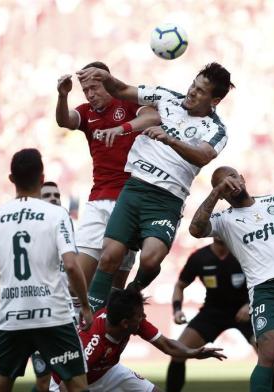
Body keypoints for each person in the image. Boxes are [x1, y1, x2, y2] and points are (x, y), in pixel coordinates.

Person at [76, 62, 234, 310]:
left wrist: (170, 140)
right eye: (194, 84)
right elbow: (122, 90)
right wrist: (107, 77)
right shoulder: (166, 97)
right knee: (109, 256)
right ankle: (92, 321)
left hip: (167, 199)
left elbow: (203, 156)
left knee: (150, 259)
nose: (192, 92)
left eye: (201, 91)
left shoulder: (216, 129)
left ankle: (133, 292)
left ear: (214, 101)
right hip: (135, 188)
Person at [0, 148, 92, 392]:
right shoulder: (57, 215)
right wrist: (86, 306)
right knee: (77, 387)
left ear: (12, 179)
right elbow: (70, 265)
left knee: (0, 388)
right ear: (42, 178)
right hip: (53, 316)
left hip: (12, 318)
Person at [188, 166, 274, 392]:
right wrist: (215, 192)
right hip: (265, 292)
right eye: (223, 185)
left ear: (243, 178)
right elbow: (195, 229)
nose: (231, 185)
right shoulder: (223, 220)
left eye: (232, 179)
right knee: (269, 351)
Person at [56, 61, 162, 307]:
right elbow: (65, 120)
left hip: (127, 200)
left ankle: (101, 337)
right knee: (75, 284)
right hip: (96, 200)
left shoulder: (127, 103)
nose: (91, 95)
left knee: (113, 288)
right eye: (86, 91)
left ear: (107, 82)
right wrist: (63, 96)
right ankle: (79, 334)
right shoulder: (86, 112)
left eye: (95, 88)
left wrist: (122, 128)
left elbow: (153, 116)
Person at [166, 237, 274, 392]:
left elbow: (264, 282)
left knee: (269, 355)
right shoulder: (200, 257)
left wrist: (250, 305)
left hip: (246, 311)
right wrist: (177, 310)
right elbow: (180, 285)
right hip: (212, 312)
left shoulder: (245, 253)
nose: (220, 231)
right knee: (178, 352)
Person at [50, 288, 226, 392]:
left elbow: (166, 345)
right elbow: (69, 384)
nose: (144, 317)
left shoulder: (133, 321)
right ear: (125, 324)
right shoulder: (93, 344)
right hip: (68, 382)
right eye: (140, 315)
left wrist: (192, 353)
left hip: (108, 370)